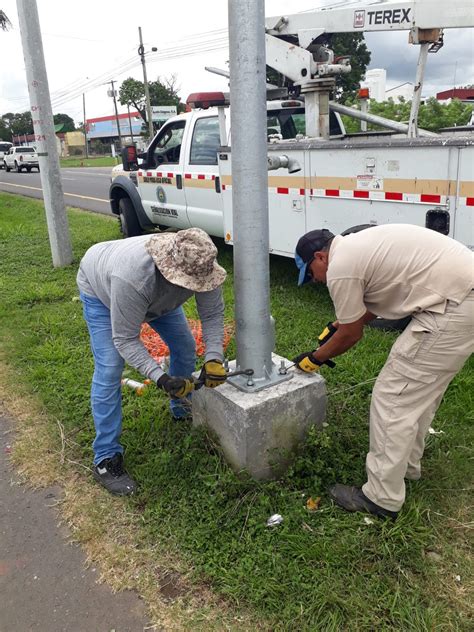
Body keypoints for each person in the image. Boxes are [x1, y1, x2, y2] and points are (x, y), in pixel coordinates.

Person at [294, 224, 473, 520]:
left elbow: (350, 336)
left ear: (320, 257)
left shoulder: (341, 267)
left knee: (394, 397)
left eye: (311, 274)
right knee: (420, 392)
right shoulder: (357, 247)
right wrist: (349, 321)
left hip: (453, 306)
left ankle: (381, 497)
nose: (315, 281)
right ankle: (408, 467)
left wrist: (316, 358)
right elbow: (369, 308)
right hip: (462, 297)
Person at [77, 227, 228, 496]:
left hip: (157, 298)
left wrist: (214, 357)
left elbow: (213, 315)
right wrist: (161, 378)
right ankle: (106, 457)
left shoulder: (201, 262)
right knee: (110, 367)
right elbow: (124, 340)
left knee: (184, 345)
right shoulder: (133, 278)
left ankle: (182, 407)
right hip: (101, 290)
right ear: (170, 271)